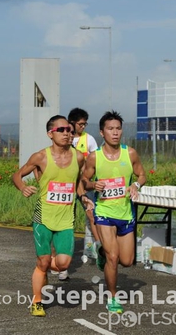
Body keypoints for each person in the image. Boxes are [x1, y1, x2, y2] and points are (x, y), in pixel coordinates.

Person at [12, 115, 87, 317]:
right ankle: (37, 302)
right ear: (50, 134)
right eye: (61, 130)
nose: (67, 133)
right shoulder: (41, 157)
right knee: (43, 263)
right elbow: (17, 175)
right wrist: (23, 187)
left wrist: (83, 197)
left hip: (66, 220)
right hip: (43, 218)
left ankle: (44, 264)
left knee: (63, 264)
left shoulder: (79, 157)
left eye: (69, 130)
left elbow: (78, 182)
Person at [80, 110, 146, 313]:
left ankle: (100, 251)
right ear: (102, 132)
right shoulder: (95, 157)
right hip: (104, 212)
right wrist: (93, 186)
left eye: (118, 128)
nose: (115, 132)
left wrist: (135, 184)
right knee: (113, 257)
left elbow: (142, 174)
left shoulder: (130, 153)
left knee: (127, 261)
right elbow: (83, 181)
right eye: (110, 129)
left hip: (125, 213)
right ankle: (113, 297)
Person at [68, 108, 101, 266]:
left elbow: (96, 160)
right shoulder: (64, 138)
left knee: (91, 214)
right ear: (72, 123)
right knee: (68, 219)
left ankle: (99, 246)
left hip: (84, 184)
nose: (83, 126)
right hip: (68, 184)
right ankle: (64, 252)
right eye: (80, 124)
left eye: (85, 124)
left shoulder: (89, 139)